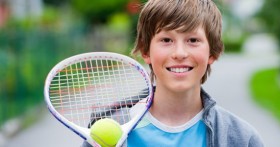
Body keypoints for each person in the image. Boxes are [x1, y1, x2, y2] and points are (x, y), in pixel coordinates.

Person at [83, 0, 264, 146]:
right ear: (146, 52)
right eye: (166, 40)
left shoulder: (241, 138)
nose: (179, 53)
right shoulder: (110, 128)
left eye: (193, 40)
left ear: (212, 53)